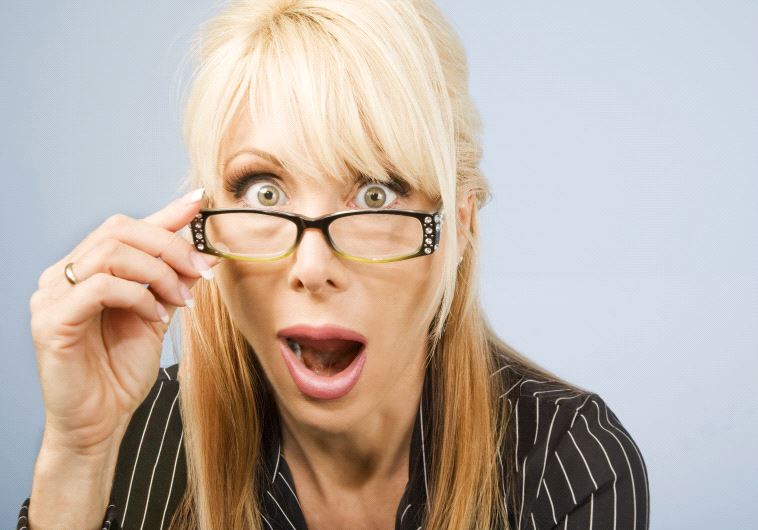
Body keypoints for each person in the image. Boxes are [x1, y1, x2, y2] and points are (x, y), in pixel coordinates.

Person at [17, 0, 649, 528]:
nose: (312, 266)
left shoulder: (567, 459)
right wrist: (78, 455)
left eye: (375, 193)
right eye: (265, 192)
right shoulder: (134, 435)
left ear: (460, 227)